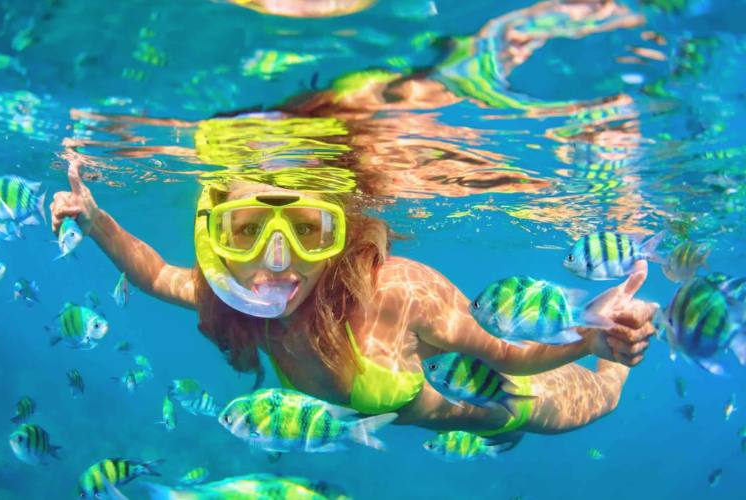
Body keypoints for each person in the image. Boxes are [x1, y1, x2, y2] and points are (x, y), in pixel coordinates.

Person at [51, 0, 657, 440]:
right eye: (246, 230)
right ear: (215, 235)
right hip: (432, 419)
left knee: (598, 397)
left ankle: (620, 345)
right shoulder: (233, 300)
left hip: (507, 406)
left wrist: (592, 339)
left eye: (309, 230)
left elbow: (507, 352)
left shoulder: (398, 293)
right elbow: (156, 275)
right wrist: (96, 220)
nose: (275, 259)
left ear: (342, 233)